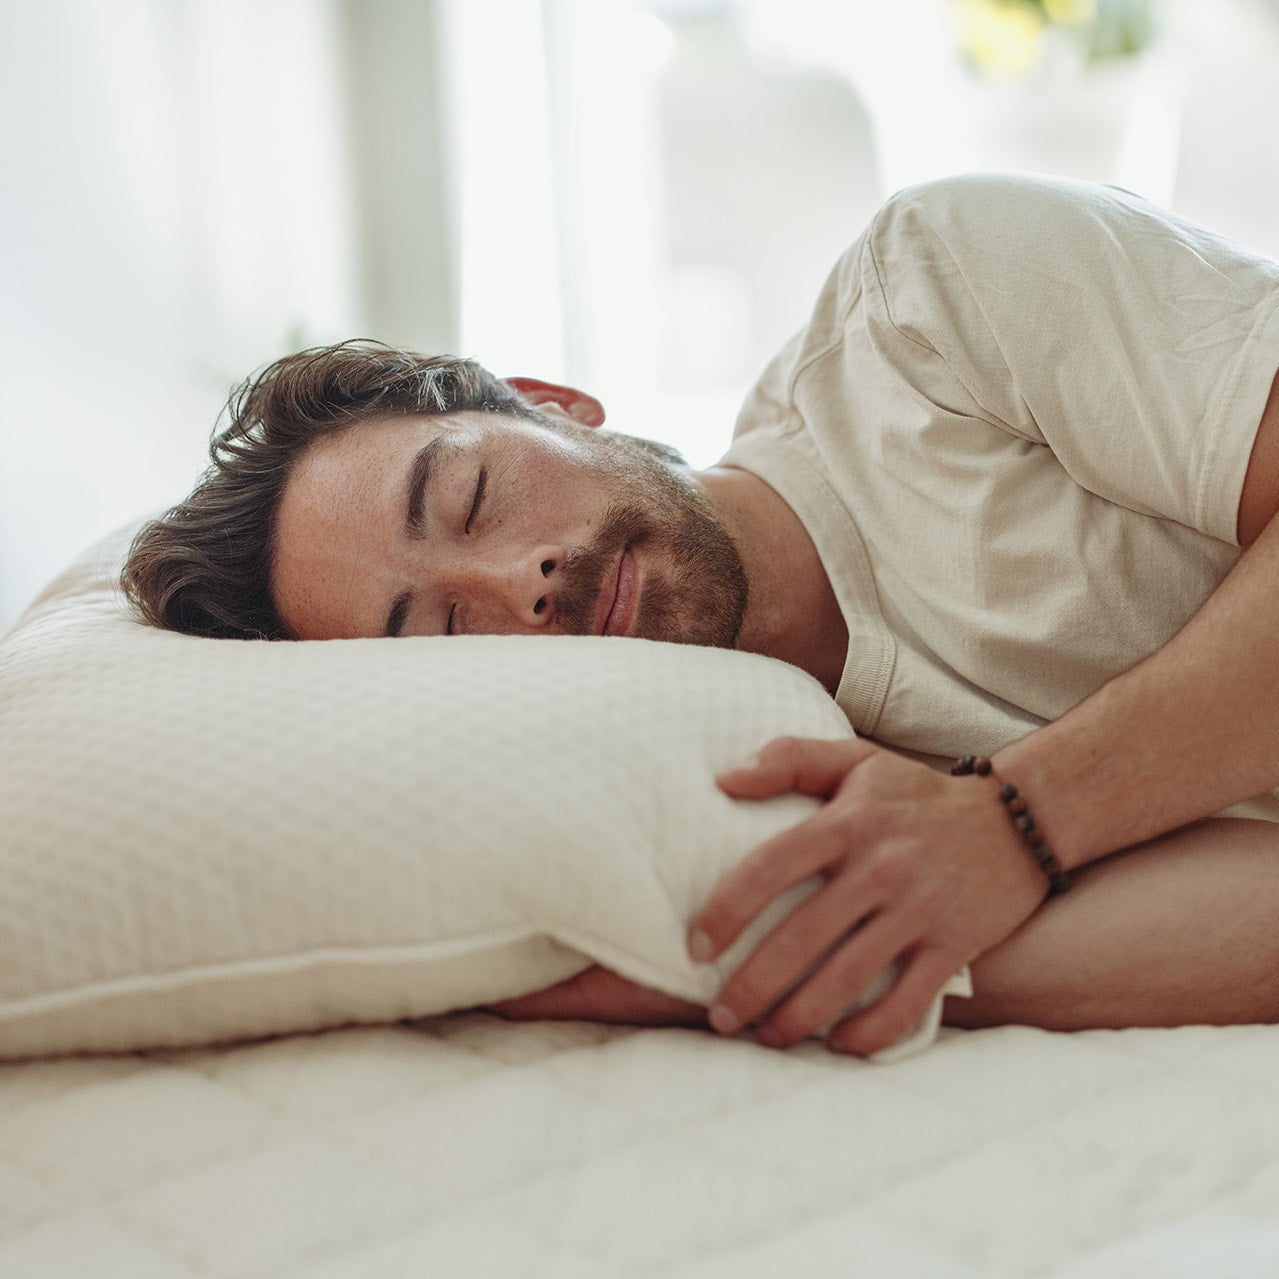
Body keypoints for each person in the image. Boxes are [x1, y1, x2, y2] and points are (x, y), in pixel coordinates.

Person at [123, 172, 1279, 1056]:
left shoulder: (930, 303)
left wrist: (1018, 815)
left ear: (552, 404)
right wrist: (830, 946)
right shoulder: (727, 786)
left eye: (473, 495)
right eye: (445, 634)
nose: (525, 585)